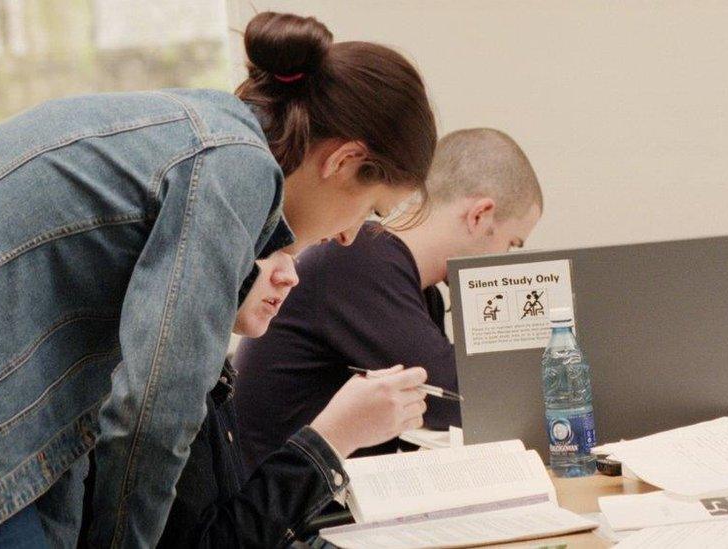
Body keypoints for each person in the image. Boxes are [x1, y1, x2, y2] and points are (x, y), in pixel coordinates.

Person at [0, 12, 436, 549]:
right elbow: (155, 406)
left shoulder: (182, 128)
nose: (351, 236)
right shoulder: (236, 164)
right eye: (371, 209)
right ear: (345, 160)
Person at [233, 128, 543, 472]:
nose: (505, 260)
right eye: (511, 244)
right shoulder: (361, 261)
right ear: (479, 215)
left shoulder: (421, 290)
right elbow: (461, 403)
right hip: (277, 506)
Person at [152, 251, 428, 548]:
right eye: (267, 251)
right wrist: (333, 437)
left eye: (292, 256)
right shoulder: (170, 379)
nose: (291, 276)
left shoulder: (207, 365)